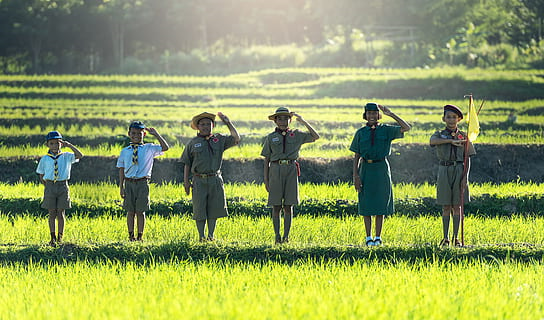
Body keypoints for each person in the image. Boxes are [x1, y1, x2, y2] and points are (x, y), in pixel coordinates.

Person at [350, 103, 411, 246]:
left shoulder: (386, 130)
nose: (372, 116)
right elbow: (356, 155)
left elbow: (406, 128)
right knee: (365, 203)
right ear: (365, 115)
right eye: (369, 113)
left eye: (374, 113)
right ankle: (368, 237)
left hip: (381, 168)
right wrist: (356, 175)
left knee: (380, 202)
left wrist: (391, 114)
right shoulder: (360, 133)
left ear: (379, 115)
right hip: (365, 168)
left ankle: (378, 237)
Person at [261, 107, 320, 244]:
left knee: (289, 205)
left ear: (290, 120)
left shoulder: (297, 134)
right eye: (279, 118)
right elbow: (266, 160)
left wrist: (303, 121)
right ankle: (277, 236)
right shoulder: (271, 137)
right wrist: (266, 179)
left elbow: (315, 136)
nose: (283, 121)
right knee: (276, 206)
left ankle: (286, 237)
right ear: (275, 121)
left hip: (291, 169)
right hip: (275, 169)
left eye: (286, 118)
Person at [181, 112, 240, 242]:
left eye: (208, 124)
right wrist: (186, 182)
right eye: (202, 124)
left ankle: (211, 235)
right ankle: (201, 236)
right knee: (199, 209)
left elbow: (236, 138)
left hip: (215, 179)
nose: (206, 126)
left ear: (213, 125)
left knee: (214, 209)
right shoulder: (193, 143)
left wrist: (228, 122)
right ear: (197, 127)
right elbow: (186, 163)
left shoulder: (219, 139)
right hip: (198, 180)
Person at [430, 104, 476, 247]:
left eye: (454, 117)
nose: (451, 120)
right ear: (444, 119)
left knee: (457, 206)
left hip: (459, 170)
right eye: (448, 117)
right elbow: (432, 142)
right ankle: (445, 238)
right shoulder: (439, 134)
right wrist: (450, 141)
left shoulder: (464, 135)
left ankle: (456, 238)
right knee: (445, 206)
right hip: (444, 170)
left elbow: (468, 158)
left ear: (459, 119)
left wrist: (465, 178)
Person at [117, 121, 169, 241]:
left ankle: (140, 236)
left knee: (141, 211)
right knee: (130, 211)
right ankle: (131, 236)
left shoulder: (149, 148)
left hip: (142, 183)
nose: (136, 136)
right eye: (133, 133)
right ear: (129, 134)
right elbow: (121, 169)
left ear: (144, 134)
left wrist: (156, 134)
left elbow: (165, 147)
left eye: (139, 133)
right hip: (129, 183)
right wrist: (121, 186)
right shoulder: (125, 151)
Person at [36, 131, 84, 246]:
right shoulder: (45, 159)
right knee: (52, 213)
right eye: (51, 143)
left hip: (63, 186)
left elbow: (80, 155)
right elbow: (41, 174)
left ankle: (60, 238)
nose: (54, 146)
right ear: (47, 145)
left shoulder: (66, 156)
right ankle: (52, 238)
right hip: (50, 186)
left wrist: (70, 145)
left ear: (61, 144)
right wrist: (47, 185)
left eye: (57, 143)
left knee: (61, 212)